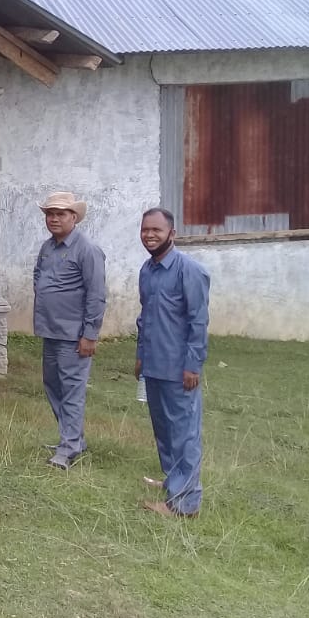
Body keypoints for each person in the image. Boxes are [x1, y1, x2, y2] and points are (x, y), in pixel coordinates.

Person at [136, 207, 210, 518]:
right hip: (154, 365)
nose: (150, 235)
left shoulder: (188, 270)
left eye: (157, 230)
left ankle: (184, 504)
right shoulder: (147, 270)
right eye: (145, 230)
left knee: (184, 433)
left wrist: (193, 365)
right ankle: (173, 480)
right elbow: (145, 318)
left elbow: (198, 321)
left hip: (180, 369)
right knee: (164, 429)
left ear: (172, 234)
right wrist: (140, 356)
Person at [33, 191, 107, 469]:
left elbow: (97, 295)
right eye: (50, 214)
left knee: (72, 391)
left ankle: (69, 448)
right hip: (50, 331)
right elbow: (37, 277)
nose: (53, 219)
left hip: (74, 335)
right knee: (53, 386)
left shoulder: (87, 249)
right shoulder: (48, 247)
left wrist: (90, 334)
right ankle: (73, 439)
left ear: (73, 217)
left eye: (60, 214)